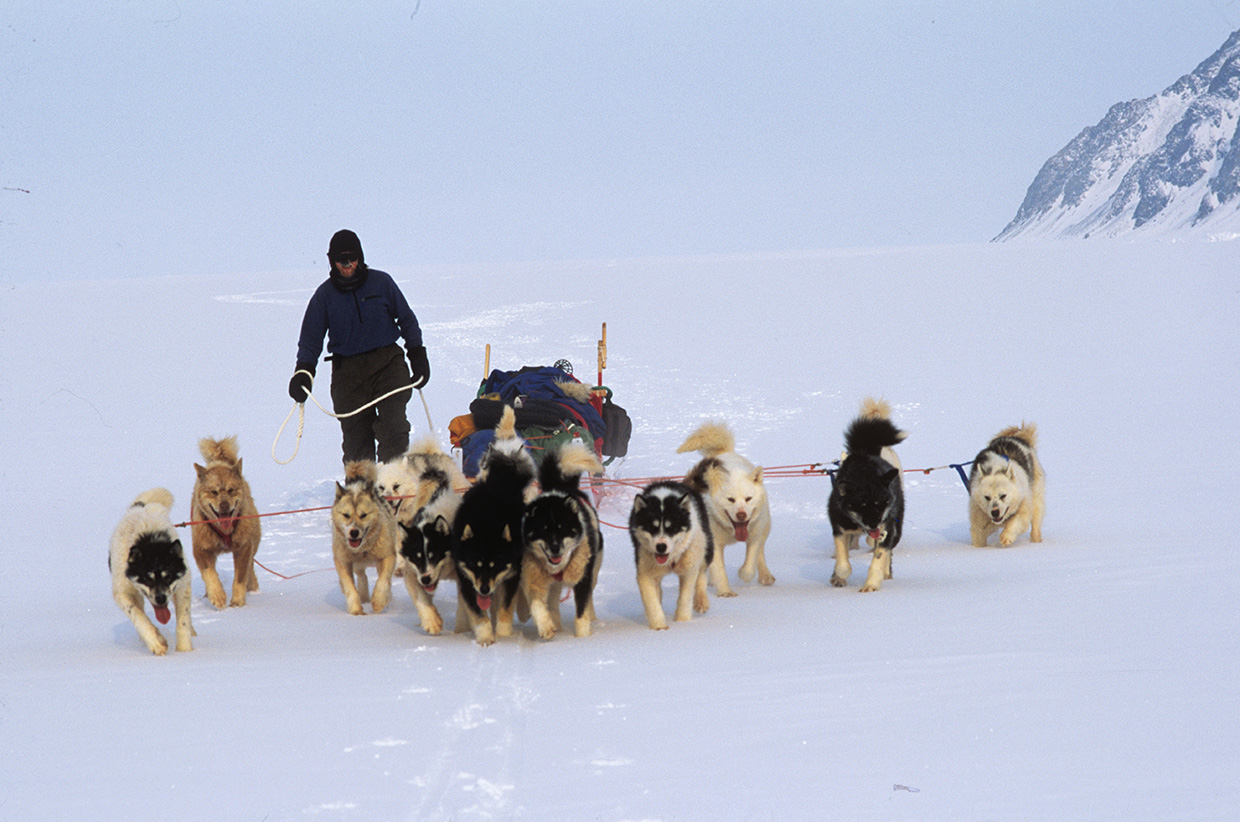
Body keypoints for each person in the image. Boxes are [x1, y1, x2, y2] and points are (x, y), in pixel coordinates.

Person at [288, 229, 430, 464]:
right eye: (341, 259)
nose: (348, 264)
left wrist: (417, 354)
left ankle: (394, 491)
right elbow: (310, 340)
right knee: (357, 445)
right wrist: (303, 372)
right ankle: (360, 495)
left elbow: (406, 319)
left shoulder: (382, 282)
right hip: (348, 374)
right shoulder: (324, 296)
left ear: (360, 257)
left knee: (394, 428)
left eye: (352, 258)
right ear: (332, 261)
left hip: (388, 364)